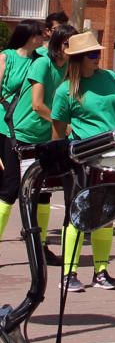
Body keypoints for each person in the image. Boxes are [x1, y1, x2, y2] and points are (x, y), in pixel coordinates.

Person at [52, 31, 115, 292]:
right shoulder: (65, 90)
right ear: (78, 59)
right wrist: (62, 158)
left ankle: (101, 271)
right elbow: (58, 129)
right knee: (76, 214)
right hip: (81, 158)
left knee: (107, 214)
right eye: (93, 54)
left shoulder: (110, 78)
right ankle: (69, 273)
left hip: (112, 155)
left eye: (98, 53)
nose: (98, 58)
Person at [8, 23, 76, 266]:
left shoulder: (70, 67)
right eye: (69, 43)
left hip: (46, 136)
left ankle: (42, 245)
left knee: (45, 193)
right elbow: (37, 104)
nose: (73, 48)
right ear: (58, 44)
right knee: (11, 191)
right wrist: (64, 124)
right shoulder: (42, 64)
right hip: (23, 132)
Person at [0, 20, 45, 254]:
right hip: (4, 123)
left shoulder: (40, 60)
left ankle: (39, 244)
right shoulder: (6, 56)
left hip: (28, 126)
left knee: (35, 186)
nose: (43, 37)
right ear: (29, 36)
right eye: (40, 34)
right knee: (8, 185)